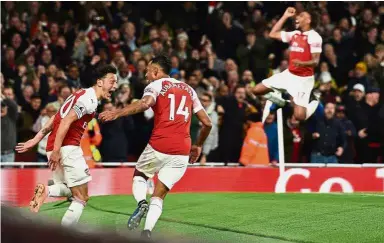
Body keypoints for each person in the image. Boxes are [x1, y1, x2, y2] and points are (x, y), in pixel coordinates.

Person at [99, 54, 212, 239]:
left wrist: (117, 113)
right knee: (159, 195)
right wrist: (198, 145)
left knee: (140, 176)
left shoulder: (156, 85)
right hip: (183, 149)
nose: (145, 75)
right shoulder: (189, 90)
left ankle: (141, 202)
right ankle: (147, 232)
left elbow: (145, 103)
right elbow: (207, 123)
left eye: (148, 71)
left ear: (157, 71)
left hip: (161, 143)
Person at [15, 65, 118, 227]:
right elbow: (65, 121)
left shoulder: (79, 94)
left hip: (54, 146)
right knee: (82, 197)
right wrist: (57, 151)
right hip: (67, 147)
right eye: (112, 81)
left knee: (69, 189)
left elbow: (54, 119)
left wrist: (35, 140)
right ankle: (65, 235)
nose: (115, 86)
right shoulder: (89, 99)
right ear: (99, 82)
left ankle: (46, 191)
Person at [253, 7, 322, 121]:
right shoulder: (294, 34)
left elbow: (315, 61)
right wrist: (285, 16)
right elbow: (272, 34)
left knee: (299, 116)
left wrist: (301, 63)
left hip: (303, 80)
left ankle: (314, 99)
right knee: (256, 90)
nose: (297, 18)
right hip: (289, 74)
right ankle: (280, 101)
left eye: (301, 16)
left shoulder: (314, 37)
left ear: (308, 20)